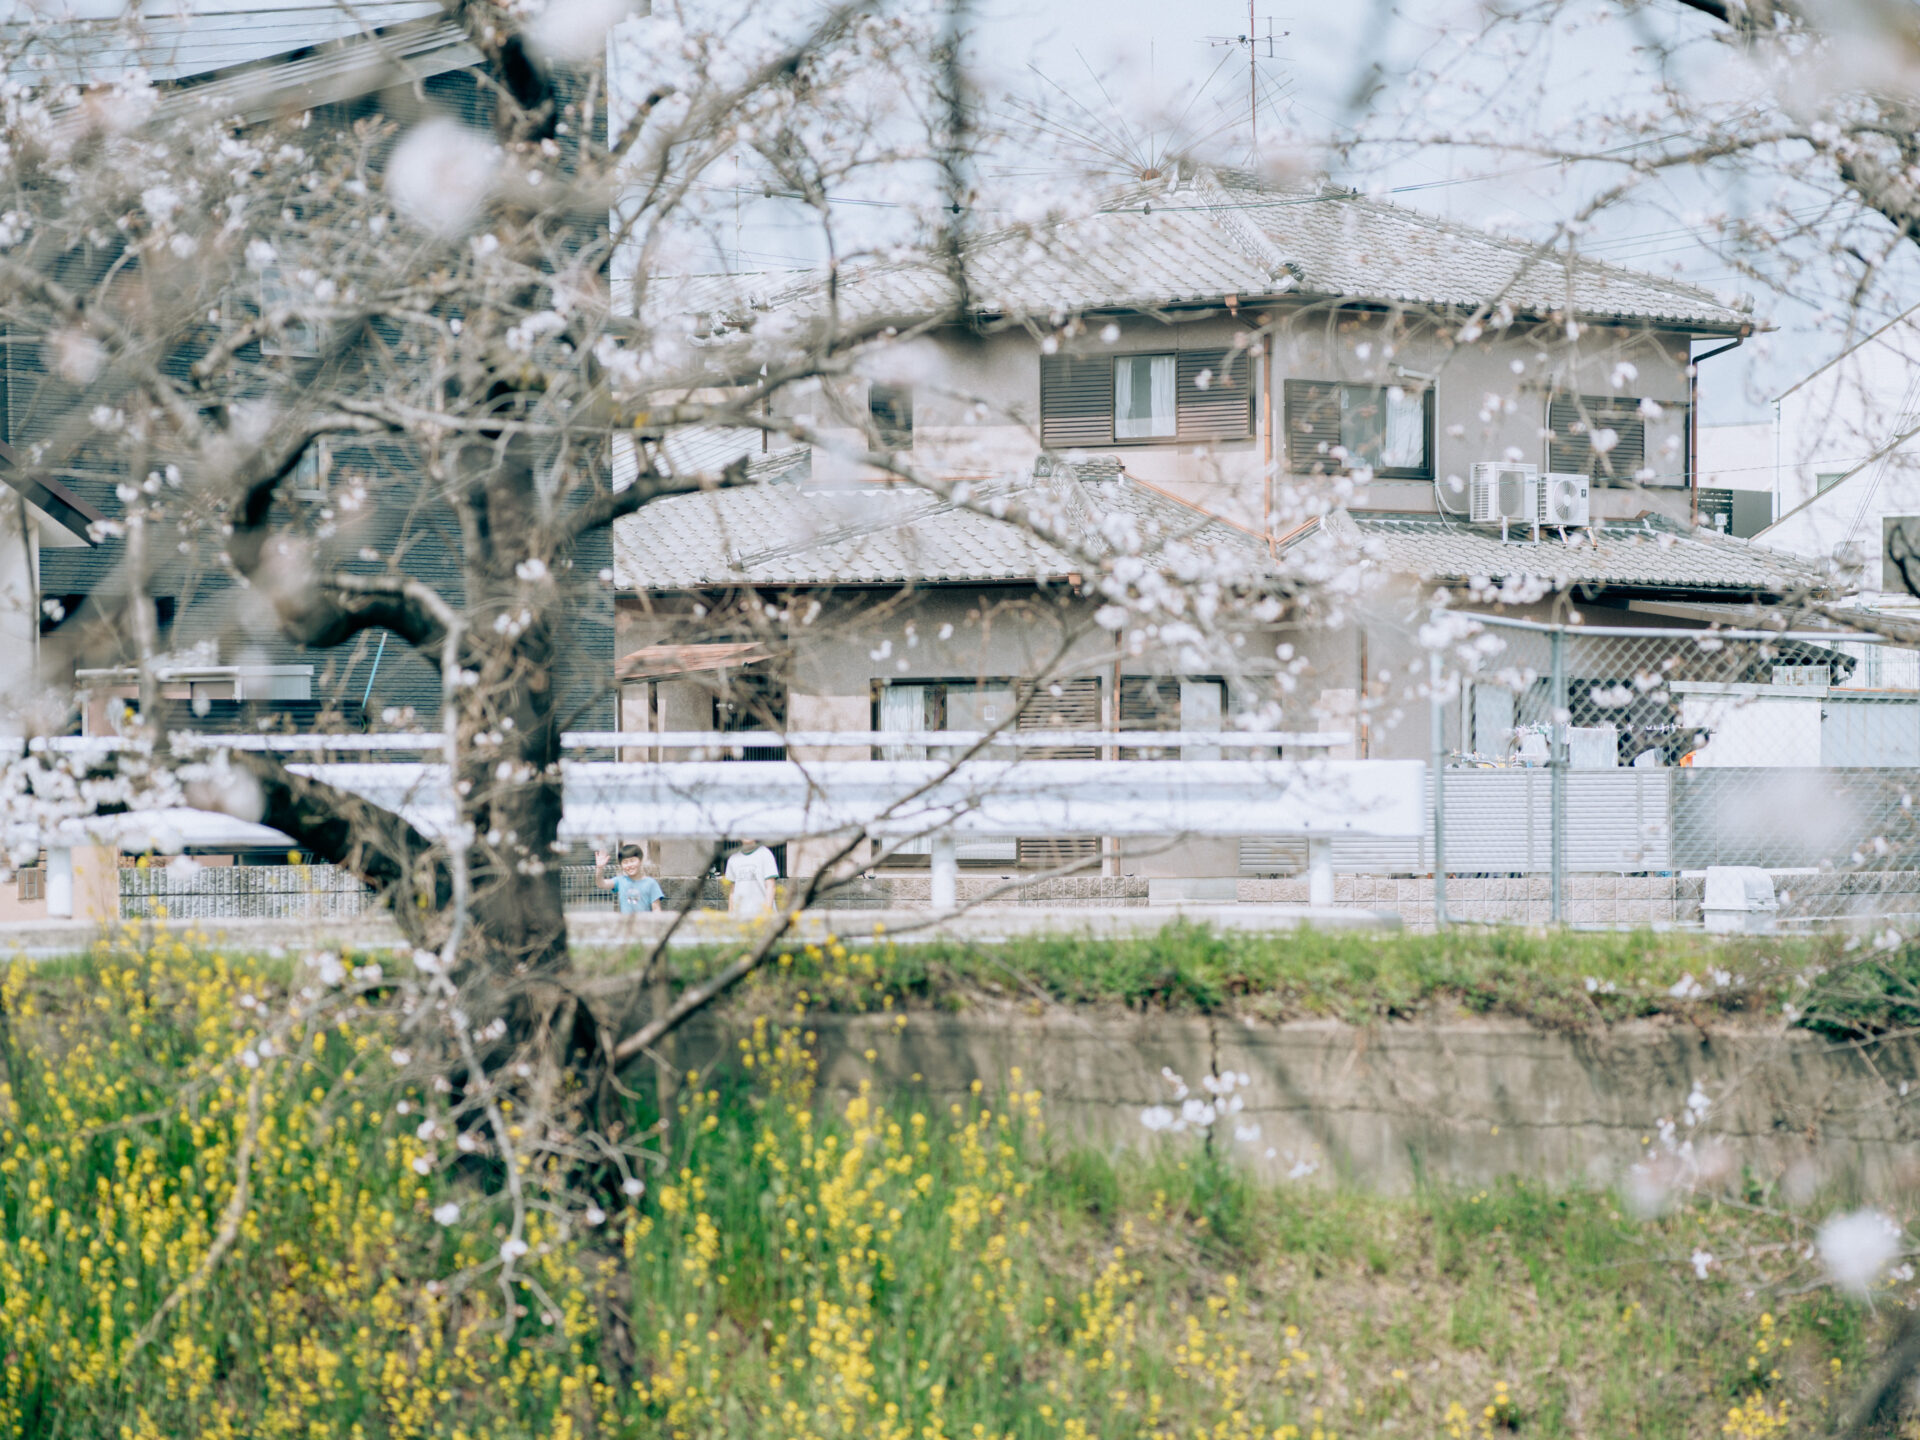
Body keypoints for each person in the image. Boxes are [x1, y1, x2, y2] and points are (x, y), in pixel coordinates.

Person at [595, 844, 665, 914]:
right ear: (621, 865)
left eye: (632, 861)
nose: (629, 865)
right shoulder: (620, 880)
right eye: (625, 862)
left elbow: (656, 909)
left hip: (644, 923)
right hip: (625, 923)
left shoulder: (651, 883)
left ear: (640, 861)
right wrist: (599, 868)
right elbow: (601, 884)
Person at [723, 839, 780, 917]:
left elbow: (770, 887)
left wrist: (767, 913)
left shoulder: (765, 853)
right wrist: (730, 914)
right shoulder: (733, 858)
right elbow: (732, 891)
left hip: (762, 916)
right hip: (740, 916)